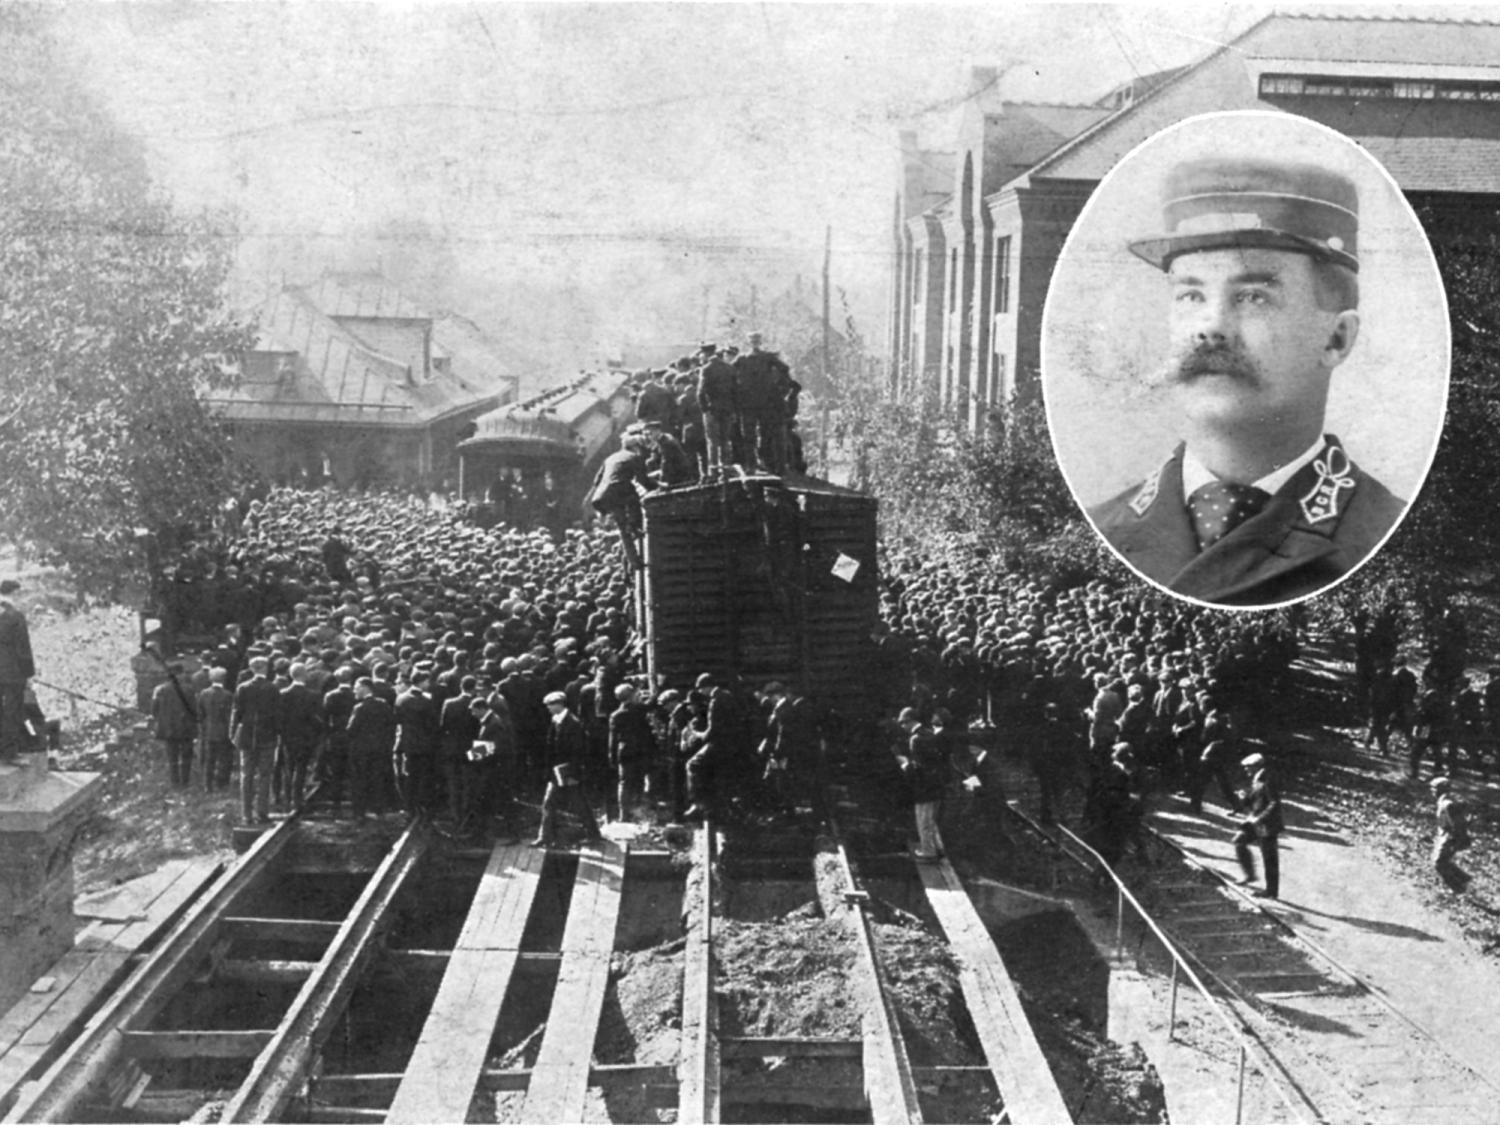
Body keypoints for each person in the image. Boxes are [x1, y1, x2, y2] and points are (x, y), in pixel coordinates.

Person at [1088, 158, 1405, 606]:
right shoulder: (1101, 528)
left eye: (1253, 296)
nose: (1210, 327)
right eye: (1191, 295)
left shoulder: (1385, 534)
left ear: (1336, 338)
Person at [534, 691, 601, 847]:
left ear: (559, 704)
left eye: (550, 705)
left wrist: (573, 774)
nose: (548, 708)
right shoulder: (556, 720)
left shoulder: (573, 724)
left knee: (579, 804)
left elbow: (579, 752)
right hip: (557, 772)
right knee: (549, 803)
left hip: (568, 773)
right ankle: (545, 837)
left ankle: (593, 834)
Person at [585, 433, 657, 570]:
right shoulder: (634, 457)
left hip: (603, 497)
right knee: (634, 497)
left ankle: (635, 562)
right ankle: (636, 527)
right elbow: (643, 481)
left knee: (623, 529)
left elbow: (597, 481)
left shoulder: (610, 458)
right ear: (635, 447)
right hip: (620, 492)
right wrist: (658, 487)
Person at [231, 655, 282, 825]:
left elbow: (236, 712)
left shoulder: (242, 688)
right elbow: (277, 715)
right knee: (265, 775)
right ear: (266, 668)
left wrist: (232, 734)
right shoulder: (273, 688)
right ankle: (262, 812)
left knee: (247, 776)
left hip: (246, 737)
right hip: (267, 737)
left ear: (252, 669)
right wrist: (278, 733)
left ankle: (246, 814)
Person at [1233, 752, 1283, 899]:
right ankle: (1250, 875)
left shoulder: (1268, 780)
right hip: (1256, 821)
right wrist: (1243, 800)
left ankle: (1271, 892)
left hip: (1267, 824)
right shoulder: (1257, 778)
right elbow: (1255, 798)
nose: (1246, 771)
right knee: (1239, 841)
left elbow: (1274, 803)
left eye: (1248, 768)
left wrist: (1260, 819)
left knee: (1270, 859)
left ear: (1256, 767)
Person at [346, 677, 395, 818]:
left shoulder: (359, 708)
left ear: (365, 687)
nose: (354, 689)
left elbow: (351, 729)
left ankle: (360, 812)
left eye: (356, 686)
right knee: (377, 778)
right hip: (380, 748)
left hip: (361, 750)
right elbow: (391, 725)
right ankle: (378, 809)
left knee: (360, 780)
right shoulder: (384, 705)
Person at [0, 579, 35, 763]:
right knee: (12, 711)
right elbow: (23, 648)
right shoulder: (15, 616)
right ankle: (9, 754)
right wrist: (28, 674)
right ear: (15, 593)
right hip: (12, 673)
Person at [151, 662, 199, 788]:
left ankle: (175, 782)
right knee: (186, 755)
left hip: (169, 728)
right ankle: (185, 782)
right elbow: (195, 709)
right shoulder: (190, 689)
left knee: (172, 756)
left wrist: (161, 720)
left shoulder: (160, 689)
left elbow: (154, 710)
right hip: (186, 727)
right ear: (181, 674)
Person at [196, 667, 235, 793]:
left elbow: (200, 714)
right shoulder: (228, 695)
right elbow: (230, 715)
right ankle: (222, 783)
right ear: (223, 679)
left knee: (209, 759)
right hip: (224, 731)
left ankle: (208, 784)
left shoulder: (204, 693)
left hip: (208, 731)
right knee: (224, 758)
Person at [1430, 775, 1472, 892]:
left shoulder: (1447, 804)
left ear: (1441, 789)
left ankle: (1459, 888)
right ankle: (1464, 879)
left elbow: (1458, 823)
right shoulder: (1443, 802)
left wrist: (1459, 838)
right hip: (1445, 836)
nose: (1432, 791)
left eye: (1434, 788)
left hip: (1450, 838)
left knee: (1439, 863)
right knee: (1440, 861)